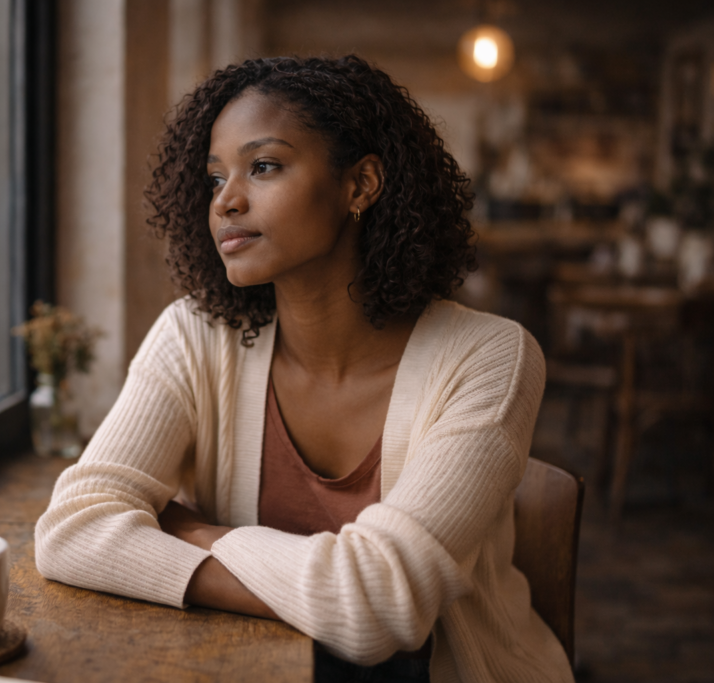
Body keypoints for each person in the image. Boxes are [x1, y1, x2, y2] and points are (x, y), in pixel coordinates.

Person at [35, 55, 574, 683]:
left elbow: (379, 606)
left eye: (263, 167)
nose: (226, 202)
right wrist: (329, 584)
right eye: (215, 179)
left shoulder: (490, 356)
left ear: (360, 185)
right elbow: (71, 530)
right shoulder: (195, 334)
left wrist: (194, 531)